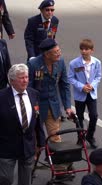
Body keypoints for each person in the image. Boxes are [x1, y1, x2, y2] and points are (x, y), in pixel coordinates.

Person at [0, 64, 45, 185]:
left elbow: (38, 120)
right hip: (6, 146)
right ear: (12, 81)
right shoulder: (2, 97)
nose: (25, 80)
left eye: (26, 77)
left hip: (28, 146)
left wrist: (41, 140)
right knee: (5, 178)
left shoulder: (34, 94)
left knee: (25, 181)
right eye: (21, 78)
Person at [27, 38, 73, 176]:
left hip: (52, 105)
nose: (59, 54)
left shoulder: (60, 63)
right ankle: (30, 166)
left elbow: (64, 84)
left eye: (59, 51)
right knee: (35, 139)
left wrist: (67, 106)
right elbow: (28, 86)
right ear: (46, 54)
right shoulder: (33, 64)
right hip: (36, 106)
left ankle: (59, 168)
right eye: (55, 52)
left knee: (55, 137)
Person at [68, 38, 102, 149]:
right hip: (80, 94)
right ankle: (80, 137)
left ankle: (90, 136)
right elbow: (71, 78)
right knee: (79, 117)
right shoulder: (74, 63)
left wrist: (92, 85)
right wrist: (82, 87)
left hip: (91, 93)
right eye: (82, 49)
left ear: (92, 50)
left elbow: (98, 76)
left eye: (86, 49)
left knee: (94, 115)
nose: (84, 51)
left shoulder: (96, 62)